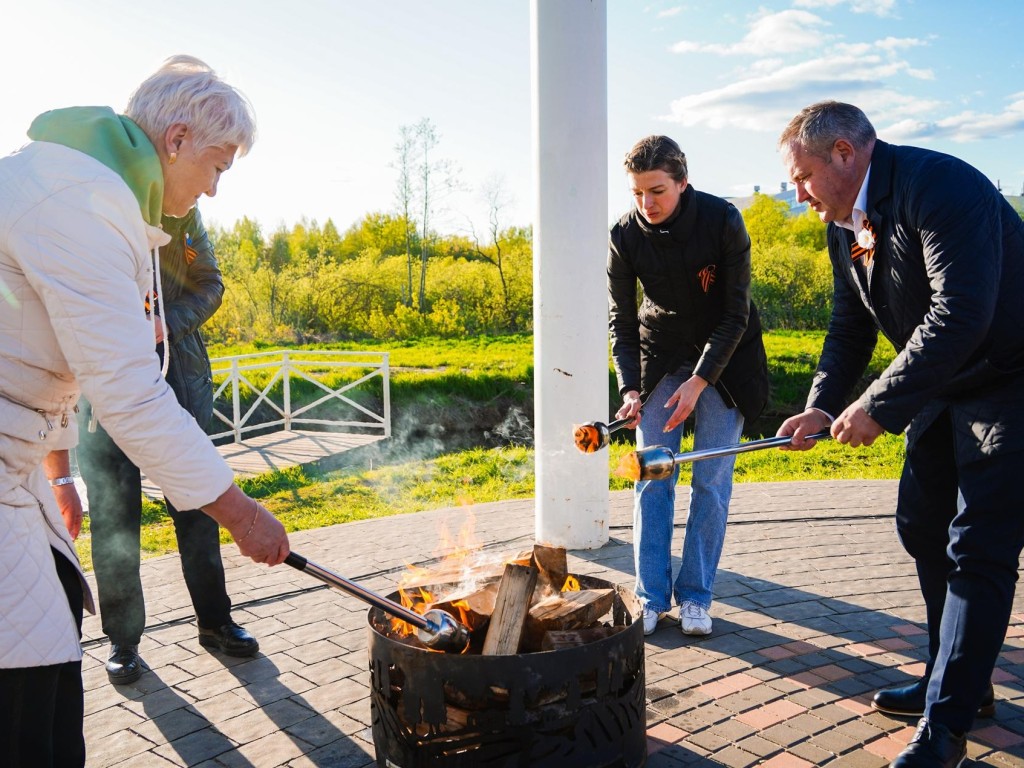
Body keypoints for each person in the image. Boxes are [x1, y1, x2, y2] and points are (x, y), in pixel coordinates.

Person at [0, 55, 290, 768]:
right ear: (180, 138)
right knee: (33, 683)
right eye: (218, 165)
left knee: (50, 628)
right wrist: (242, 513)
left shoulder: (78, 183)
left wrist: (55, 472)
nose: (216, 188)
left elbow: (32, 349)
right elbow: (129, 392)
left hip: (15, 466)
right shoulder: (88, 202)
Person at [776, 100, 1024, 768]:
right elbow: (849, 325)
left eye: (800, 178)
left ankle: (946, 727)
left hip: (1010, 376)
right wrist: (822, 405)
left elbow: (962, 309)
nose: (796, 194)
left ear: (844, 154)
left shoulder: (941, 186)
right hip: (946, 382)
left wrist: (880, 403)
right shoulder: (843, 225)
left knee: (981, 545)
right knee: (922, 523)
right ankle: (957, 685)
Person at [77, 205, 260, 687]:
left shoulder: (183, 213)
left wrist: (165, 322)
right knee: (114, 518)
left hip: (181, 377)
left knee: (200, 504)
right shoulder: (91, 206)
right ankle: (123, 640)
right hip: (102, 387)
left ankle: (215, 622)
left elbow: (211, 285)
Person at [608, 135, 769, 638]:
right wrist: (630, 388)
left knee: (711, 480)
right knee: (651, 478)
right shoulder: (624, 234)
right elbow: (622, 321)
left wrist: (702, 381)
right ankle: (650, 596)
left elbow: (734, 312)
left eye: (656, 191)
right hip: (660, 358)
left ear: (683, 182)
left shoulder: (723, 221)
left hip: (726, 359)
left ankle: (697, 597)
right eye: (637, 193)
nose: (646, 204)